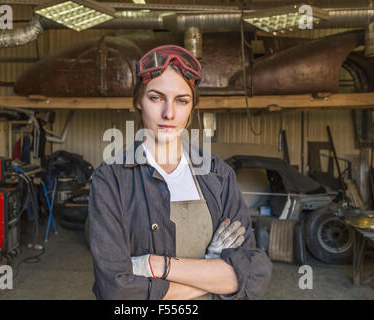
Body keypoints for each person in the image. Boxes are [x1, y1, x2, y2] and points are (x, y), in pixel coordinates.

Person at [88, 45, 272, 300]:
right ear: (138, 102)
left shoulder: (218, 175)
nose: (169, 113)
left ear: (192, 106)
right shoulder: (111, 180)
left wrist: (155, 265)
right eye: (156, 98)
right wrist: (212, 274)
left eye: (181, 100)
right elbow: (117, 292)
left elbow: (254, 274)